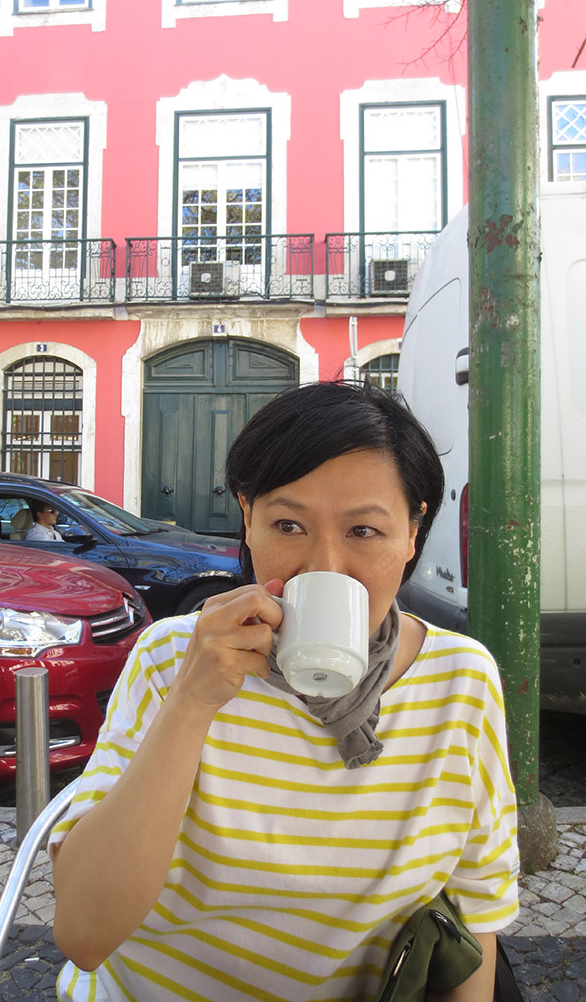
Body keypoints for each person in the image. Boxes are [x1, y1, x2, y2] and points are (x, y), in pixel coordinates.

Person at [49, 380, 519, 1002]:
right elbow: (84, 933)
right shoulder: (173, 659)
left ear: (413, 531)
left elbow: (474, 916)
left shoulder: (461, 680)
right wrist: (191, 704)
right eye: (289, 523)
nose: (324, 566)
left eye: (364, 532)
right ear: (247, 519)